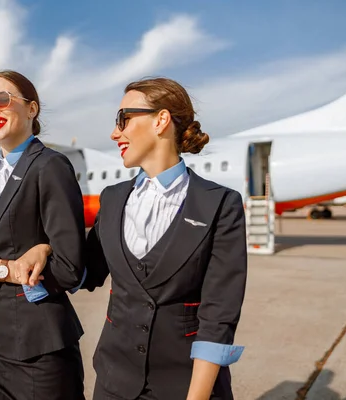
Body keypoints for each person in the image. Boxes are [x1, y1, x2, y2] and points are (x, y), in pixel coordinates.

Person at [84, 78, 248, 400]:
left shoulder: (220, 204)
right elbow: (83, 270)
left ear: (161, 120)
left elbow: (218, 316)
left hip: (186, 387)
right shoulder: (113, 198)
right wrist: (38, 251)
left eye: (123, 119)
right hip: (113, 383)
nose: (114, 133)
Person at [0, 70, 86, 400]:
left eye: (1, 100)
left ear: (31, 109)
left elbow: (70, 268)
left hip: (38, 352)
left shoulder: (50, 166)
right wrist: (41, 246)